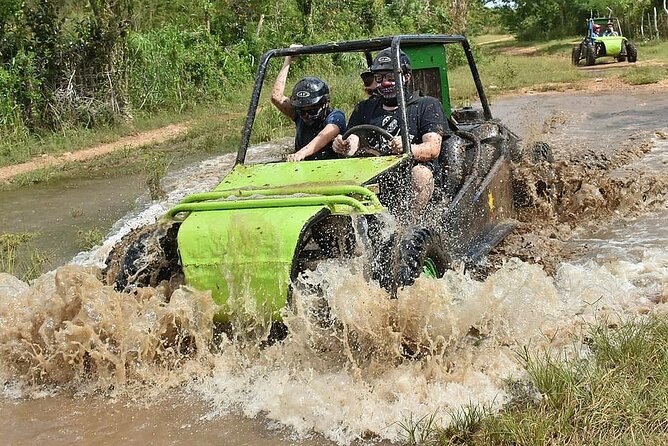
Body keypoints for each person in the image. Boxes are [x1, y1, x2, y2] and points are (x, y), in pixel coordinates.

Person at [333, 48, 448, 215]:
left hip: (411, 172)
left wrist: (408, 148)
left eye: (390, 78)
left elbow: (433, 148)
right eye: (379, 78)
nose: (384, 83)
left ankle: (406, 227)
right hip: (374, 171)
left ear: (406, 76)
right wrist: (343, 145)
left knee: (420, 174)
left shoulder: (426, 105)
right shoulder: (365, 107)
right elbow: (354, 139)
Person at [271, 49, 346, 162]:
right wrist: (288, 59)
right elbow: (276, 97)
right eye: (301, 111)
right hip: (304, 168)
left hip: (333, 169)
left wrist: (301, 153)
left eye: (312, 112)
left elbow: (324, 135)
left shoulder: (336, 117)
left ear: (324, 105)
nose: (305, 116)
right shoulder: (299, 116)